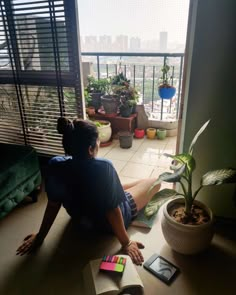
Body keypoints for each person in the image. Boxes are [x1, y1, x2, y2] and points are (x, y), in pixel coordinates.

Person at [16, 118, 161, 265]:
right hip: (108, 223)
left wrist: (40, 236)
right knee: (154, 181)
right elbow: (113, 210)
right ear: (90, 149)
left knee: (115, 184)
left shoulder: (55, 165)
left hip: (81, 217)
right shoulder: (104, 168)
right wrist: (126, 243)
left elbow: (53, 205)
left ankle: (116, 189)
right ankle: (122, 192)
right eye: (97, 141)